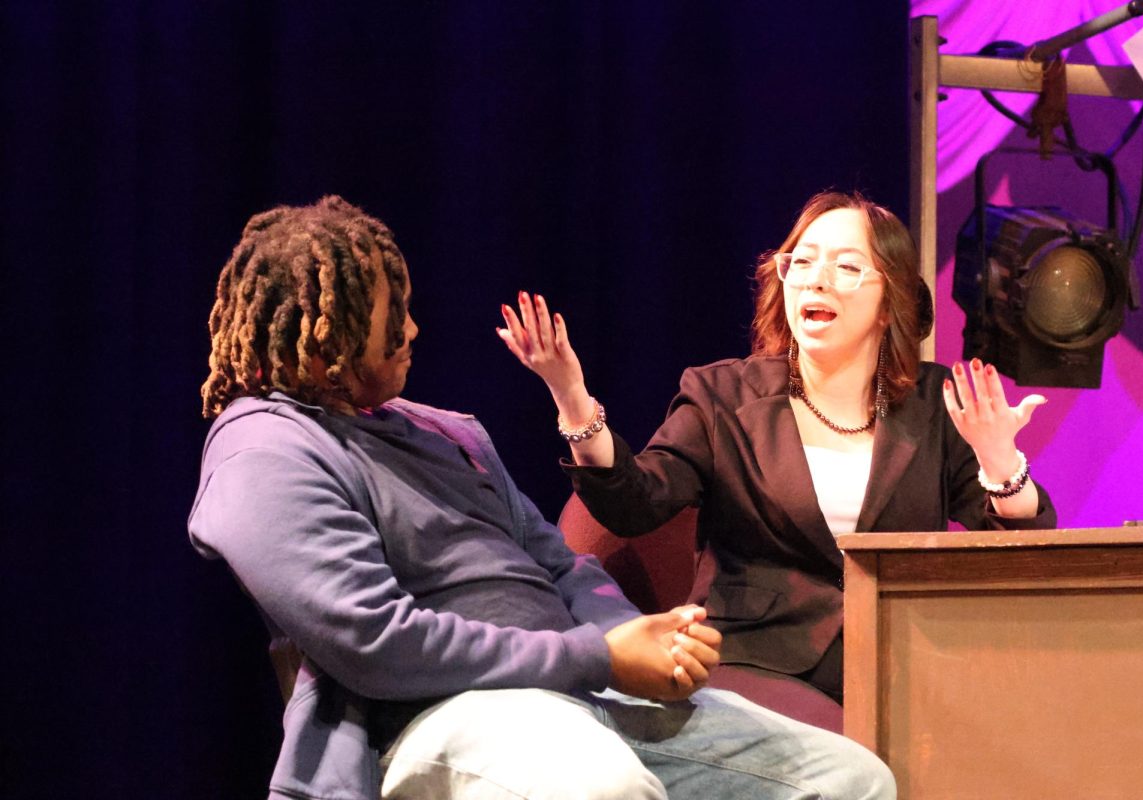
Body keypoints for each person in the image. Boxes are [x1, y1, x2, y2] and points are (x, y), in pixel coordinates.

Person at [188, 196, 895, 800]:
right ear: (324, 344)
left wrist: (635, 639)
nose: (411, 330)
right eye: (387, 316)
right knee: (604, 790)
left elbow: (561, 566)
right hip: (432, 713)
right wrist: (599, 656)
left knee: (850, 780)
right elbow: (378, 642)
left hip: (581, 691)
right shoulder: (265, 454)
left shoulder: (447, 431)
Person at [498, 189, 1057, 731]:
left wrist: (998, 459)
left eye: (845, 266)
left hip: (904, 656)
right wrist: (572, 398)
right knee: (851, 754)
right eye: (803, 262)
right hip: (758, 657)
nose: (816, 278)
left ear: (890, 304)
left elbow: (1018, 551)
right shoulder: (723, 396)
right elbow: (636, 503)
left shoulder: (935, 405)